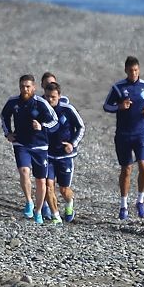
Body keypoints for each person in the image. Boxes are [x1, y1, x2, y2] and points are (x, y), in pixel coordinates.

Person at [1, 74, 58, 225]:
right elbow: (4, 116)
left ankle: (38, 211)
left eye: (27, 86)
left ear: (34, 87)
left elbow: (54, 120)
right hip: (21, 143)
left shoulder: (41, 103)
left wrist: (41, 126)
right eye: (22, 86)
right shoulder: (13, 102)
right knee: (24, 171)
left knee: (40, 181)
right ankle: (28, 201)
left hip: (40, 145)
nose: (25, 89)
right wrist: (8, 133)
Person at [103, 56, 144, 220]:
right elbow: (106, 106)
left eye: (136, 70)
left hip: (141, 133)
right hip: (123, 134)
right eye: (131, 70)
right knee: (126, 169)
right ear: (126, 70)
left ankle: (140, 201)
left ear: (139, 70)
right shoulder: (118, 88)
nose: (133, 73)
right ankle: (123, 205)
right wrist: (119, 106)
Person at [43, 82, 85, 224]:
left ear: (59, 96)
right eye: (48, 96)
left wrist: (72, 144)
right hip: (48, 155)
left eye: (53, 97)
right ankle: (56, 216)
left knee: (64, 189)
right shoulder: (42, 108)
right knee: (48, 185)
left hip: (65, 156)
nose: (50, 100)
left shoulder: (68, 109)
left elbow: (81, 127)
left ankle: (69, 204)